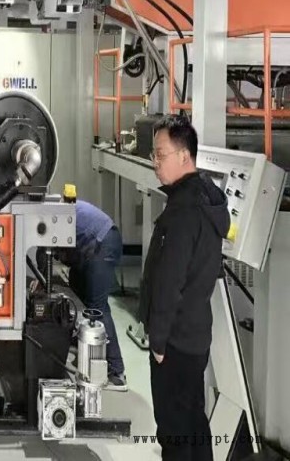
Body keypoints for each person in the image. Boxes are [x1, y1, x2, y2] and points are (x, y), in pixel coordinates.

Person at [140, 114, 229, 461]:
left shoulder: (183, 212)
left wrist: (158, 341)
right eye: (154, 155)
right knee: (194, 422)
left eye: (160, 154)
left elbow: (169, 281)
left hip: (175, 341)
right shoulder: (205, 200)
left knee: (174, 431)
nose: (155, 162)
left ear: (184, 156)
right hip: (196, 335)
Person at [59, 190, 126, 390]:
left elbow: (53, 252)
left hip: (103, 244)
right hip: (91, 246)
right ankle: (82, 348)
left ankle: (116, 372)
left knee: (97, 307)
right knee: (76, 290)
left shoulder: (56, 216)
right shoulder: (58, 210)